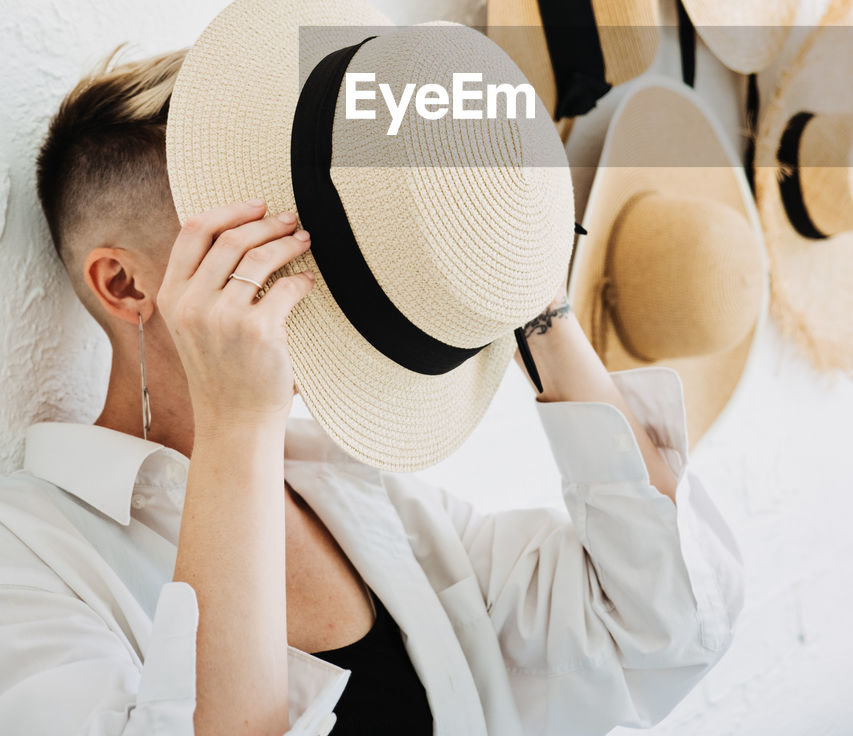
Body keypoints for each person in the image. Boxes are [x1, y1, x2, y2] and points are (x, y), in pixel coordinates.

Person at [0, 44, 744, 736]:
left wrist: (537, 306)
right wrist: (235, 425)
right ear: (124, 284)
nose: (314, 254)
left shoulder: (368, 499)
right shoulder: (30, 554)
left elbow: (668, 621)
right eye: (255, 232)